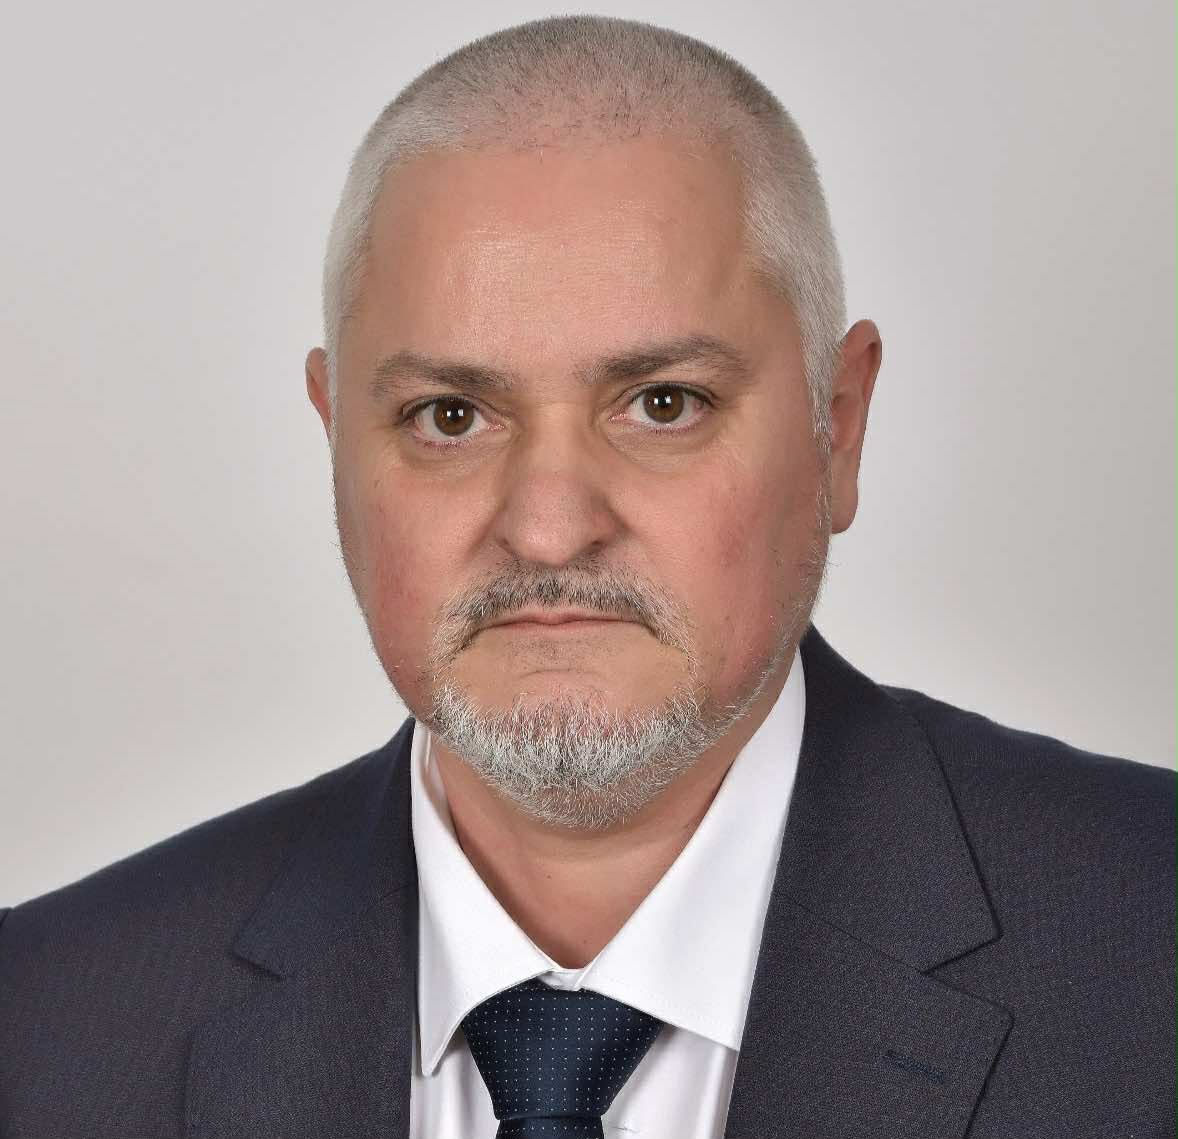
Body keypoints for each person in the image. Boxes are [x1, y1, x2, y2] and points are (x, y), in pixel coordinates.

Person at [1, 14, 1174, 1139]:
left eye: (662, 403)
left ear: (838, 428)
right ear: (334, 440)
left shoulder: (1146, 948)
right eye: (447, 414)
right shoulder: (45, 1023)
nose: (550, 529)